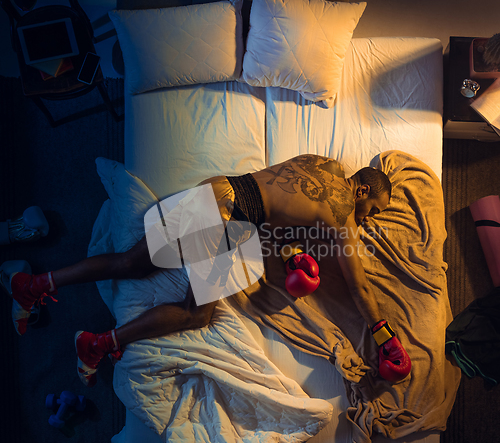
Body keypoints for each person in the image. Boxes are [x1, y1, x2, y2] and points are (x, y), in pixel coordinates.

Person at [3, 154, 410, 386]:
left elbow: (282, 209)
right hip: (229, 223)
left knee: (131, 262)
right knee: (198, 313)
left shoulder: (325, 163)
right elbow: (360, 288)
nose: (368, 219)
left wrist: (291, 253)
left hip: (219, 189)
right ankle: (99, 343)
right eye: (373, 210)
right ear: (361, 191)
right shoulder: (343, 215)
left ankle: (34, 283)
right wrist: (386, 339)